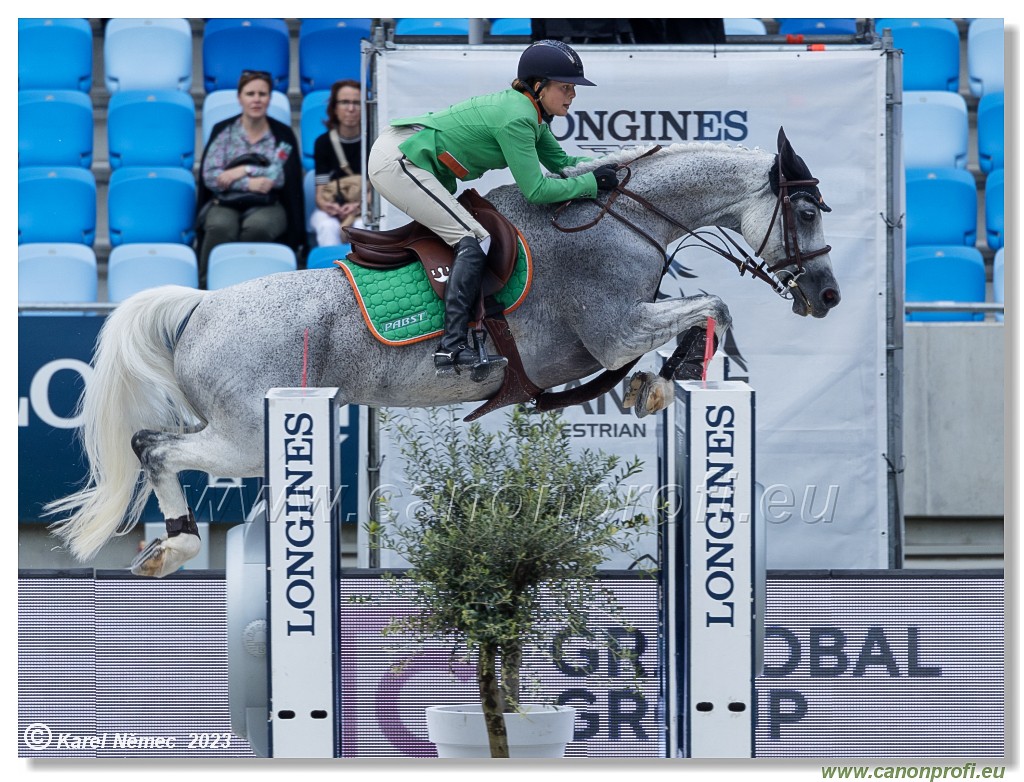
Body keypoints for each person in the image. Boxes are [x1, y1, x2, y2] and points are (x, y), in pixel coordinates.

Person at [367, 40, 618, 379]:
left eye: (573, 88)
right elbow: (537, 191)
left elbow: (563, 163)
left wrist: (618, 162)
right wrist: (591, 184)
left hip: (404, 153)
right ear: (539, 86)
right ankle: (451, 345)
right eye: (565, 87)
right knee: (474, 238)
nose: (572, 95)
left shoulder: (531, 114)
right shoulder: (518, 117)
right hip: (398, 161)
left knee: (472, 236)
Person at [194, 69, 305, 286]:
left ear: (270, 98)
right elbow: (210, 176)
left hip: (268, 203)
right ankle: (207, 287)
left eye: (262, 94)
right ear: (240, 97)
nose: (256, 99)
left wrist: (242, 171)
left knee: (258, 228)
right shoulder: (224, 131)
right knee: (220, 227)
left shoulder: (282, 134)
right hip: (225, 201)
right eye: (250, 93)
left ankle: (254, 286)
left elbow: (278, 176)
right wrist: (250, 183)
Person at [309, 79, 369, 247]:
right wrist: (329, 207)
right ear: (334, 108)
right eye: (344, 102)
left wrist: (359, 206)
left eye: (356, 103)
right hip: (332, 207)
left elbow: (377, 188)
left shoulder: (373, 141)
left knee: (362, 226)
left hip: (365, 207)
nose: (351, 108)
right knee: (328, 226)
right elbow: (320, 193)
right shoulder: (323, 143)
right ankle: (330, 265)